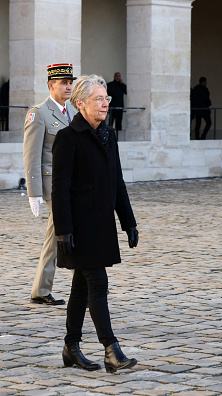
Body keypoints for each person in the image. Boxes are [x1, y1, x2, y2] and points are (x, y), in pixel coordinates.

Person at [52, 74, 138, 373]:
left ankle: (71, 347)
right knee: (97, 284)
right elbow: (60, 188)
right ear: (80, 104)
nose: (105, 104)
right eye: (98, 99)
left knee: (80, 287)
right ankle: (111, 350)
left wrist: (128, 222)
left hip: (102, 225)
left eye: (107, 99)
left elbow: (117, 182)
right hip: (78, 228)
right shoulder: (68, 137)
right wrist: (63, 231)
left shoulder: (108, 135)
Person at [23, 63, 78, 306]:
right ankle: (84, 284)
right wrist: (33, 193)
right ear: (50, 85)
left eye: (70, 82)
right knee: (62, 232)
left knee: (60, 233)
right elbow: (31, 155)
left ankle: (42, 289)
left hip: (73, 183)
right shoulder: (39, 113)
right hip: (52, 184)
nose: (68, 87)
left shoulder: (73, 112)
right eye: (63, 83)